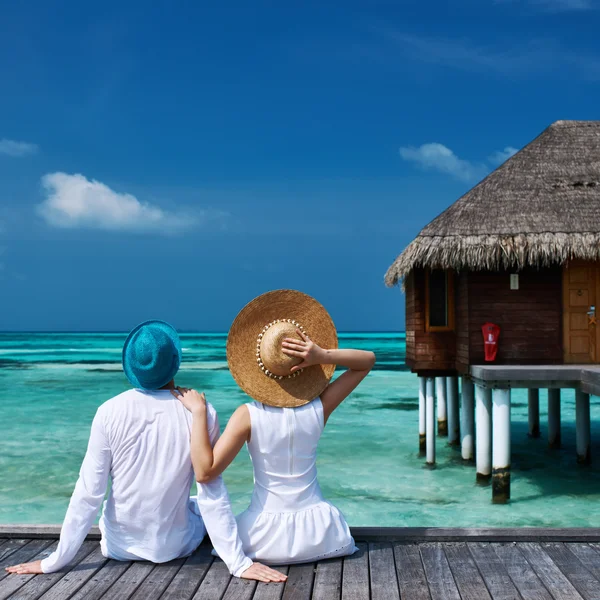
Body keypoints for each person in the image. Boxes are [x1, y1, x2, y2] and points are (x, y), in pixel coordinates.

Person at [6, 320, 285, 583]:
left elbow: (88, 494)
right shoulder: (202, 412)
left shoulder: (108, 412)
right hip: (175, 548)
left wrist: (53, 561)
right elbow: (212, 492)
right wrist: (238, 563)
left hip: (118, 546)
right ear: (175, 363)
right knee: (197, 504)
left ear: (133, 366)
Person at [174, 290, 376, 564]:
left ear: (257, 366)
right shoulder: (319, 408)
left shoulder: (247, 415)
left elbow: (205, 472)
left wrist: (199, 413)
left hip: (263, 539)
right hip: (324, 536)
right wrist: (322, 355)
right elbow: (366, 362)